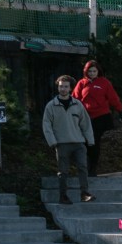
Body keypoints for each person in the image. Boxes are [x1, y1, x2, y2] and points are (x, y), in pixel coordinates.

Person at [42, 74, 94, 203]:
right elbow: (46, 125)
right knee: (63, 171)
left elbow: (85, 123)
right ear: (58, 88)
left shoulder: (77, 104)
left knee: (82, 167)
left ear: (70, 88)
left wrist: (90, 140)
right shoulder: (51, 106)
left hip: (78, 142)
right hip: (62, 143)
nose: (63, 89)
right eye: (61, 87)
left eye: (66, 87)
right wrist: (53, 142)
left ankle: (84, 193)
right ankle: (63, 195)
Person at [71, 60, 122, 176]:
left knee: (94, 142)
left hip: (100, 116)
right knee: (84, 143)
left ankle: (93, 168)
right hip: (85, 117)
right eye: (89, 71)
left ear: (98, 71)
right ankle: (85, 167)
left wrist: (120, 111)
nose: (92, 73)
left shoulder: (104, 83)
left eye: (94, 71)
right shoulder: (81, 83)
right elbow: (75, 99)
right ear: (86, 72)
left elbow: (113, 98)